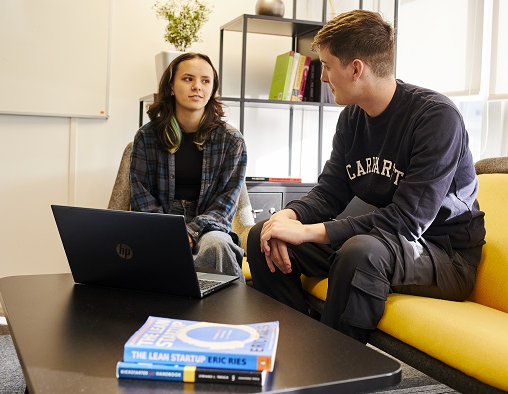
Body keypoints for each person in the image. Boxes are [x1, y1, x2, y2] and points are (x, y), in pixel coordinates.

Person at [247, 10, 486, 343]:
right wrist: (288, 217)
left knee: (360, 253)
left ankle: (336, 370)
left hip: (442, 254)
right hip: (382, 240)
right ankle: (291, 346)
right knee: (264, 236)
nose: (323, 78)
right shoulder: (351, 119)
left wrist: (310, 232)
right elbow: (331, 191)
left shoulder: (436, 117)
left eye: (327, 66)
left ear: (356, 68)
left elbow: (406, 222)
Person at [130, 52, 247, 282]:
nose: (197, 87)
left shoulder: (231, 140)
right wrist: (170, 231)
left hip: (210, 227)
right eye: (188, 79)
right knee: (145, 248)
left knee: (217, 244)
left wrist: (191, 232)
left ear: (212, 89)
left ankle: (222, 314)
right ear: (171, 87)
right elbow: (141, 196)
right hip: (159, 224)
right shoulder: (147, 137)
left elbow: (226, 203)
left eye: (205, 81)